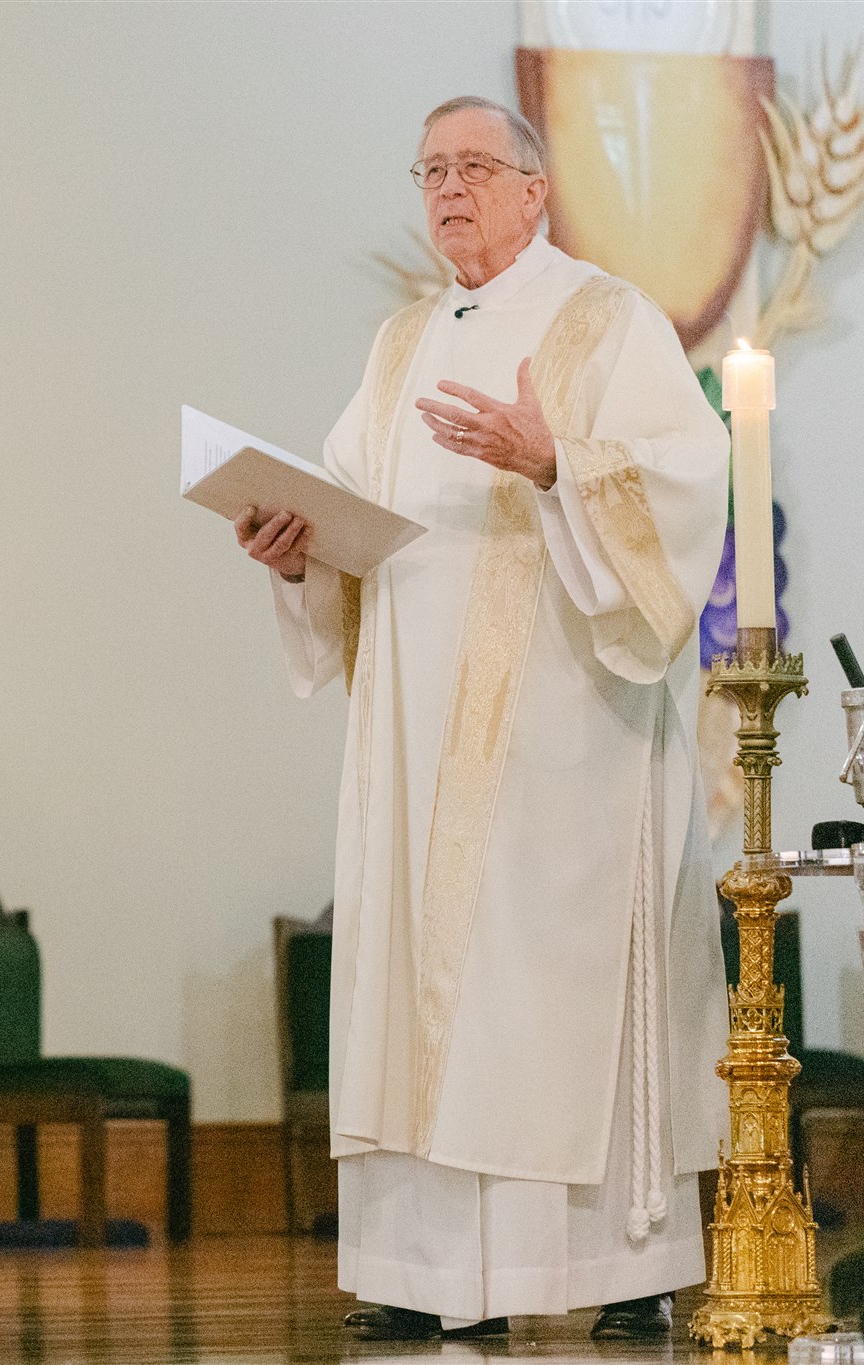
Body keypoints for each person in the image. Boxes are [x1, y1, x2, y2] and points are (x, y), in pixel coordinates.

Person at [237, 97, 730, 1341]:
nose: (447, 189)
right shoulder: (400, 343)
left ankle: (613, 1273)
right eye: (428, 170)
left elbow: (685, 479)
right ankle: (421, 1278)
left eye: (472, 167)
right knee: (421, 986)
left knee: (540, 997)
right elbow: (351, 508)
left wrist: (555, 458)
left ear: (532, 188)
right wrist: (294, 551)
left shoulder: (607, 320)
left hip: (564, 740)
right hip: (410, 741)